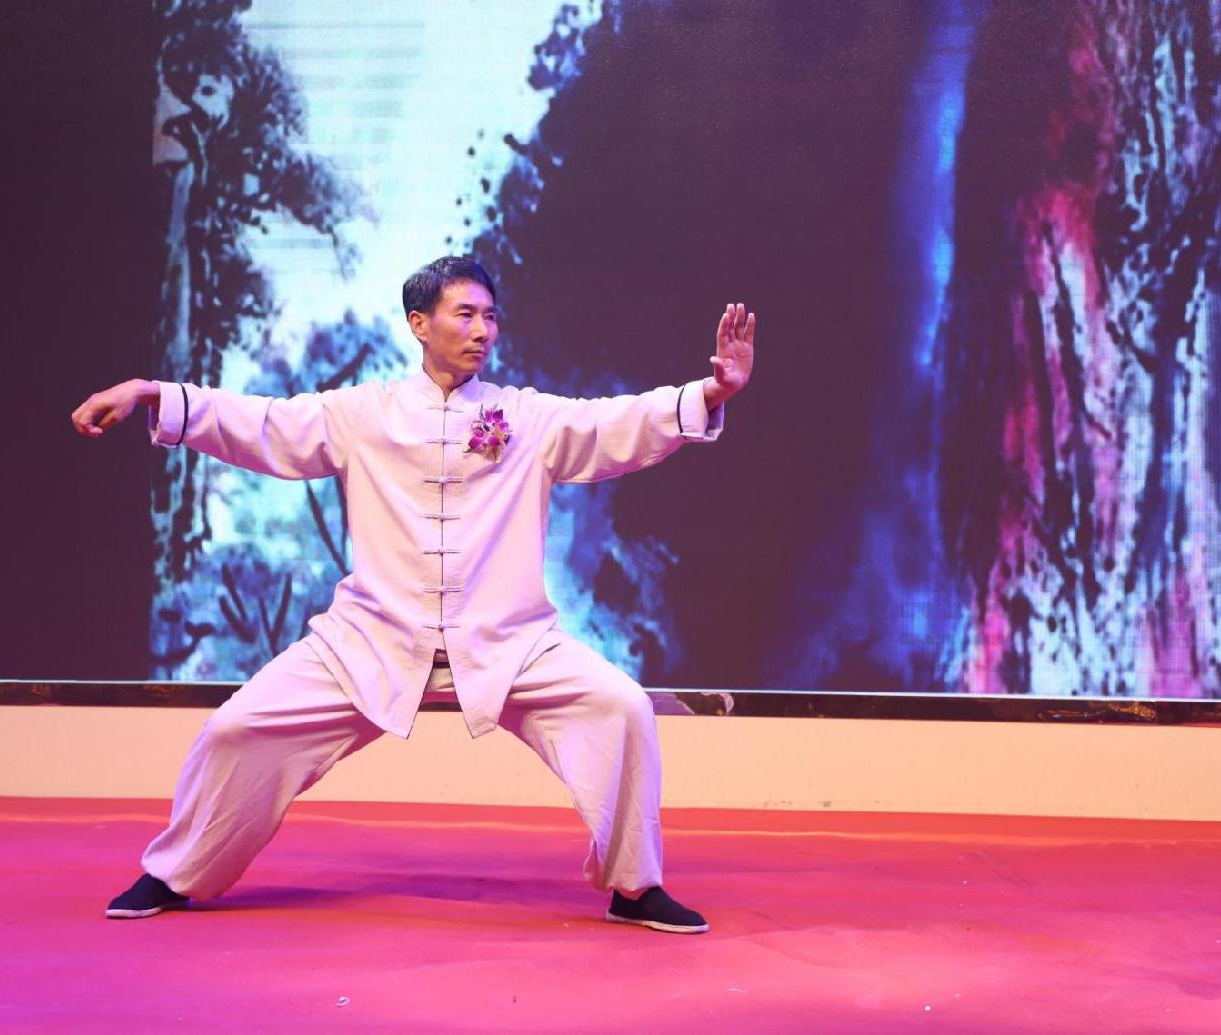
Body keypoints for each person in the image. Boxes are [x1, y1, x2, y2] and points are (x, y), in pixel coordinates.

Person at [72, 256, 755, 934]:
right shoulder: (363, 413)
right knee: (235, 729)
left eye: (491, 316)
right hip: (373, 638)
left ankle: (634, 886)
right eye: (466, 314)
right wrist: (153, 393)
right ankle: (175, 872)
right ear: (419, 324)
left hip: (507, 642)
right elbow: (265, 424)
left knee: (621, 708)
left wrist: (711, 391)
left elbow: (614, 424)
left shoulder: (526, 416)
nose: (483, 330)